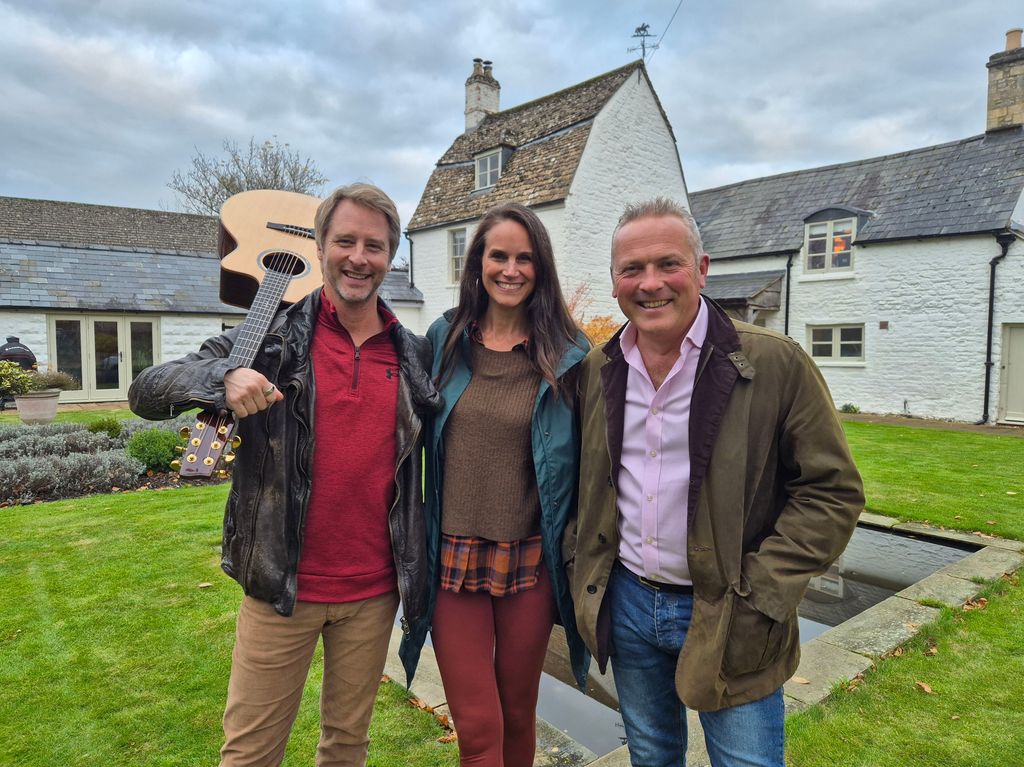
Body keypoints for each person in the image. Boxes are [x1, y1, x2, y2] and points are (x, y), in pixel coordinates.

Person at [128, 183, 441, 767]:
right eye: (344, 240)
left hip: (374, 591)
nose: (358, 257)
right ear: (320, 247)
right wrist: (219, 377)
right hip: (280, 586)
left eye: (374, 245)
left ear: (390, 257)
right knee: (250, 754)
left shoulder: (414, 353)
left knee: (347, 747)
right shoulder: (265, 341)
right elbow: (146, 390)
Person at [567, 198, 864, 767]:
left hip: (734, 611)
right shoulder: (599, 368)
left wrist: (764, 589)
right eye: (632, 269)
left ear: (702, 269)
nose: (650, 283)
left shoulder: (774, 364)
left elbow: (831, 492)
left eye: (668, 264)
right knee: (652, 755)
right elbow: (588, 483)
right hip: (627, 603)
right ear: (614, 281)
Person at [399, 203, 590, 767]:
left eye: (524, 258)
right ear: (478, 262)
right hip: (453, 557)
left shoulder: (569, 355)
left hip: (529, 561)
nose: (511, 269)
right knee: (479, 727)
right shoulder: (444, 338)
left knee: (517, 712)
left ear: (542, 268)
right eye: (498, 255)